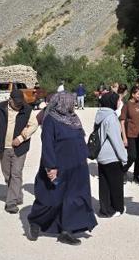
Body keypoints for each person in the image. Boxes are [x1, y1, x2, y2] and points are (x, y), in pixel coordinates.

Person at [27, 93, 97, 245]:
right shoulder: (51, 119)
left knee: (73, 199)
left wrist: (85, 156)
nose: (73, 105)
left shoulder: (73, 118)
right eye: (70, 102)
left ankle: (67, 231)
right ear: (62, 103)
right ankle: (35, 221)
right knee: (50, 199)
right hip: (58, 167)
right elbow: (47, 144)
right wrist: (50, 167)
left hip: (77, 167)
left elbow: (80, 138)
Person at [0, 88, 35, 214]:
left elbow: (34, 125)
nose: (19, 106)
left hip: (20, 148)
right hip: (3, 147)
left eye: (21, 103)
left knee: (16, 173)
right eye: (17, 103)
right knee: (7, 175)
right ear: (10, 100)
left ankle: (11, 203)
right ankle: (17, 195)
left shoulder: (27, 109)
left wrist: (21, 138)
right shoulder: (0, 108)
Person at [95, 92, 128, 218]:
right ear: (112, 102)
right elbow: (116, 140)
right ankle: (117, 208)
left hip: (101, 154)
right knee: (116, 185)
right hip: (111, 156)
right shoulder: (111, 118)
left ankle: (105, 209)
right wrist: (124, 158)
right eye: (117, 100)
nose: (119, 102)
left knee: (104, 184)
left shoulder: (100, 114)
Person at [121, 84, 139, 186]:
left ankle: (136, 176)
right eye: (138, 94)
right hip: (131, 134)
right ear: (132, 94)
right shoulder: (127, 105)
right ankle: (123, 171)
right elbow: (122, 122)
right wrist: (124, 137)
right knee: (132, 156)